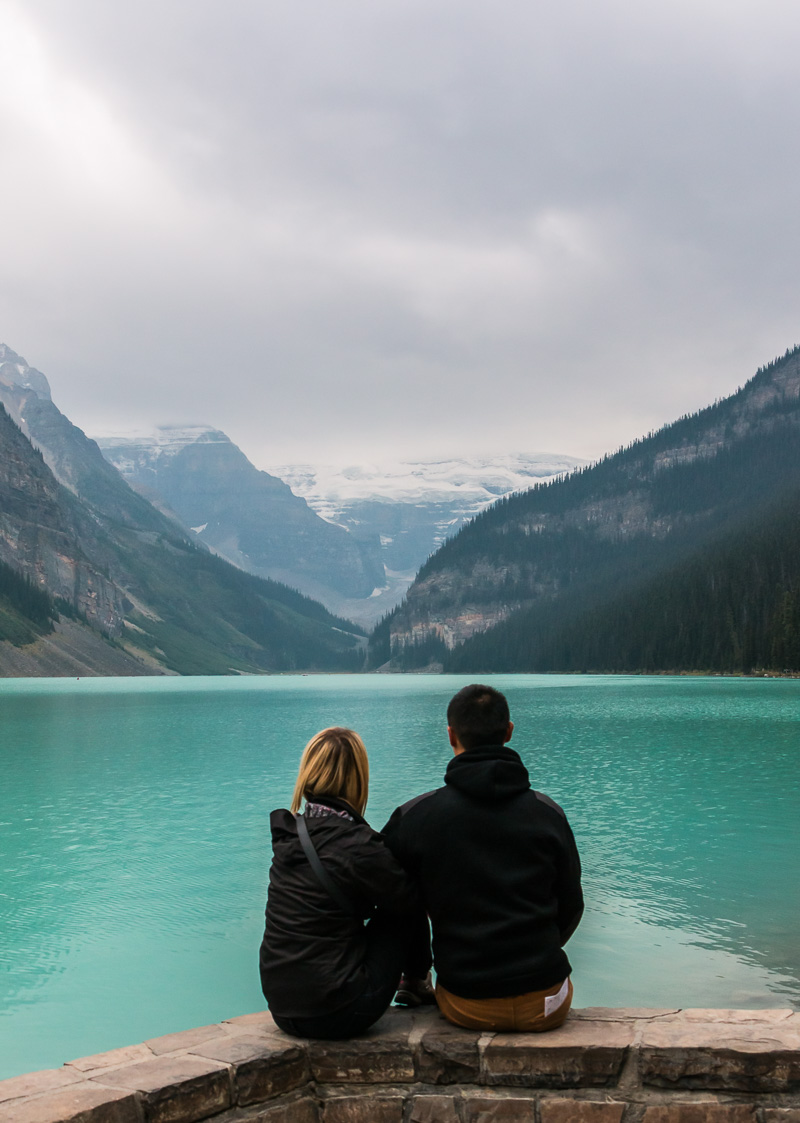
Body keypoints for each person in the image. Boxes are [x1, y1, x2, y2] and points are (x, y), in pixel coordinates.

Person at [382, 684, 583, 1032]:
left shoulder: (415, 817)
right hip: (548, 1002)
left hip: (466, 1002)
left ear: (450, 735)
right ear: (509, 732)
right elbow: (572, 907)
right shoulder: (548, 814)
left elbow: (388, 898)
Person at [260, 727, 432, 1039]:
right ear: (357, 778)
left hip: (282, 1008)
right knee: (404, 901)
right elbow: (410, 902)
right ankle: (417, 982)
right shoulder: (356, 844)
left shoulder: (290, 835)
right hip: (339, 1011)